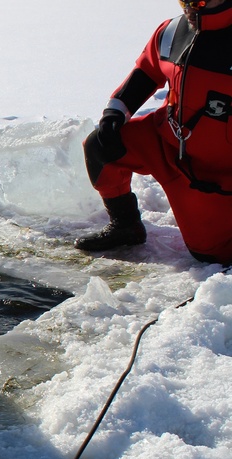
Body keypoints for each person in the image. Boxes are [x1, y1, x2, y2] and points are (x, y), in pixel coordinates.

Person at [75, 0, 232, 265]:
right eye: (186, 0)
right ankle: (125, 226)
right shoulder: (172, 31)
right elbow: (147, 71)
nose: (190, 8)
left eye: (200, 1)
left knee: (210, 254)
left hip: (212, 178)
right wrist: (116, 111)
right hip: (164, 141)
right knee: (101, 147)